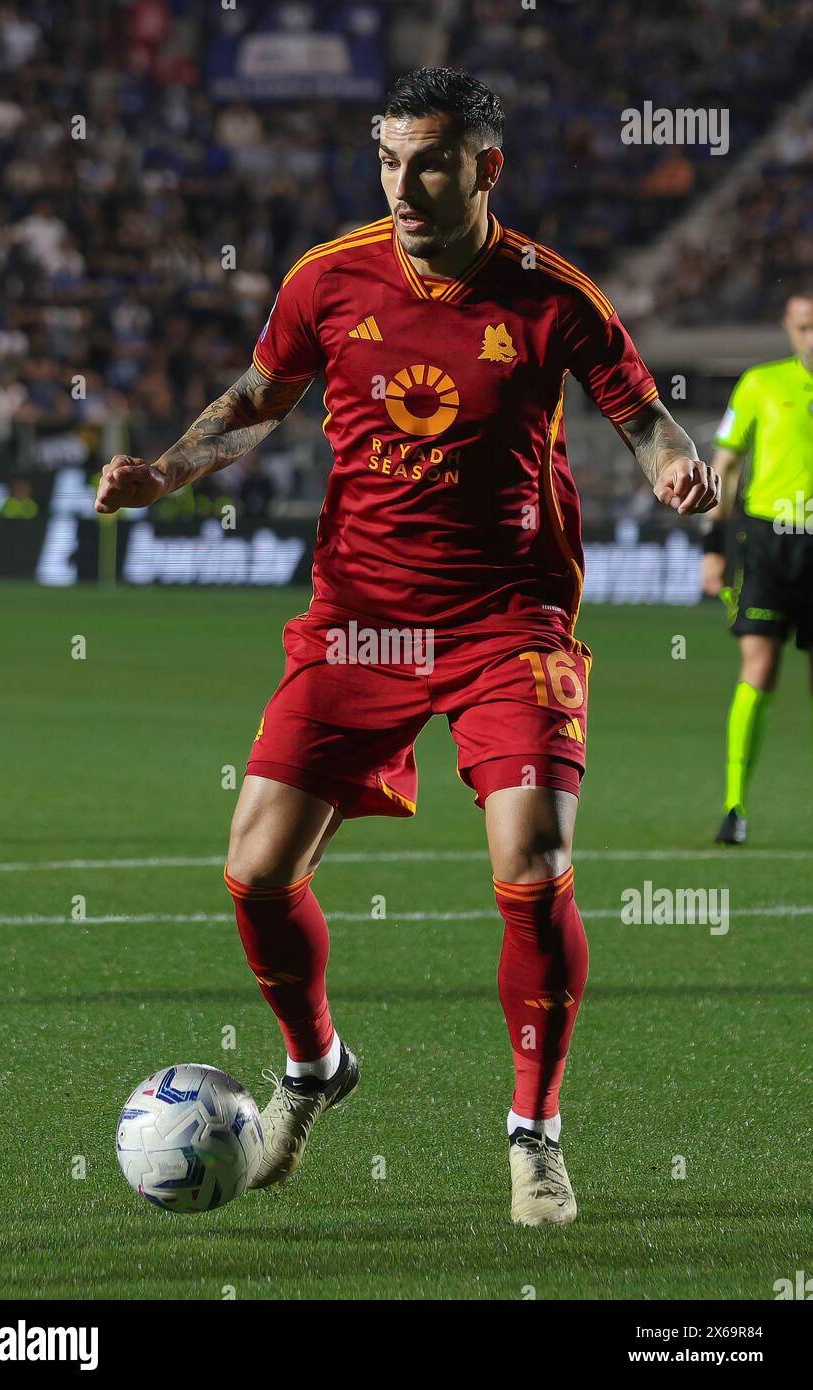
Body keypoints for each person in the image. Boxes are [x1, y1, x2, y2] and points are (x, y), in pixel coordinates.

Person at [95, 68, 719, 1226]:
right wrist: (164, 471)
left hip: (505, 622)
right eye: (386, 159)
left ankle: (532, 1130)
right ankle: (314, 1064)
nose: (402, 184)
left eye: (427, 160)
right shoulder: (326, 279)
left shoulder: (550, 294)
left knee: (529, 859)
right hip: (357, 622)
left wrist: (673, 467)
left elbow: (639, 415)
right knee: (255, 872)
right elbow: (253, 399)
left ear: (485, 168)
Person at [702, 295, 813, 845]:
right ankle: (734, 806)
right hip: (769, 542)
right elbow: (724, 464)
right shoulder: (761, 385)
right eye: (804, 327)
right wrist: (713, 547)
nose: (812, 337)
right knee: (760, 668)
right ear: (789, 328)